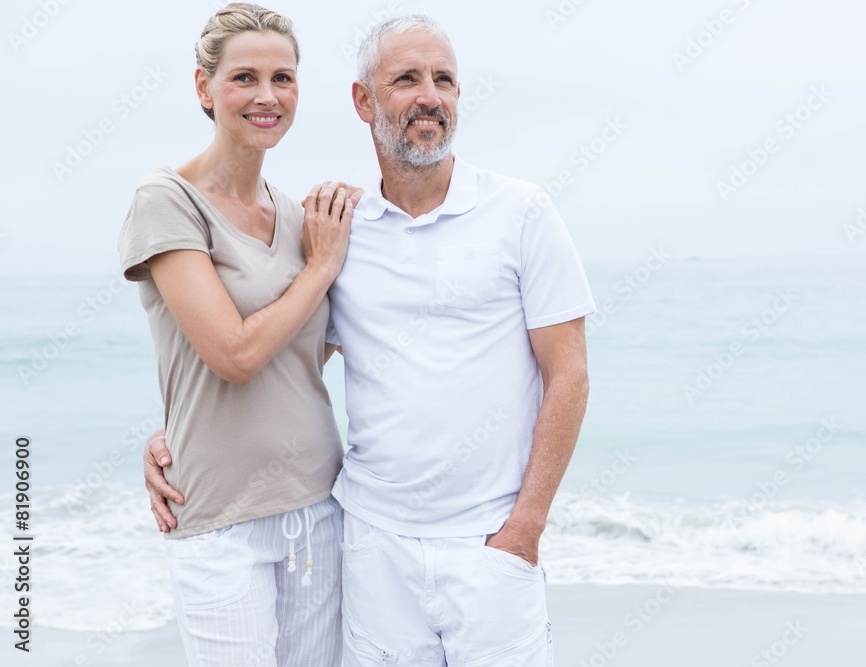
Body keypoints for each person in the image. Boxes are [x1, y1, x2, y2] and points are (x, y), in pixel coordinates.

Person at [147, 14, 596, 666]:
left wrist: (525, 528)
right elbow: (280, 360)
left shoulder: (522, 213)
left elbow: (570, 375)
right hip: (371, 546)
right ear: (364, 100)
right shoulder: (337, 229)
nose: (429, 96)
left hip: (491, 544)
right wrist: (173, 432)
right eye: (406, 79)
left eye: (443, 80)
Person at [119, 4, 358, 665]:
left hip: (318, 508)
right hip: (219, 522)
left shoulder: (296, 215)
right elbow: (236, 353)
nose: (266, 96)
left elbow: (309, 348)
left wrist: (178, 421)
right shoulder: (166, 200)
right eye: (244, 77)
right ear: (204, 87)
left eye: (283, 78)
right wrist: (322, 266)